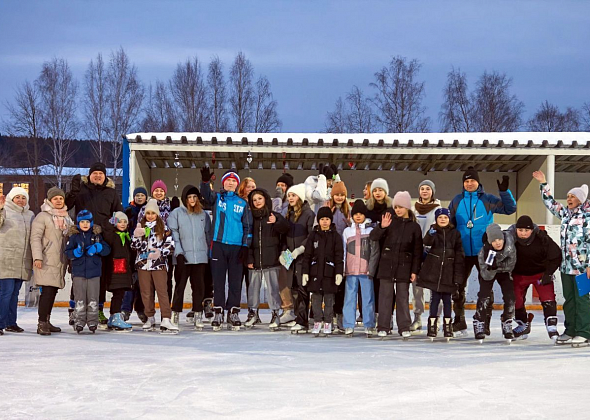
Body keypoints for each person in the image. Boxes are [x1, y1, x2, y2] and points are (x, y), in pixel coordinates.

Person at [448, 167, 516, 335]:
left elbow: (510, 209)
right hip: (462, 251)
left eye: (472, 181)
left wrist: (504, 191)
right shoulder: (457, 201)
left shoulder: (488, 200)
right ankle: (459, 320)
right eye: (466, 181)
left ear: (478, 182)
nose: (469, 184)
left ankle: (484, 322)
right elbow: (449, 223)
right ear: (463, 183)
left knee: (487, 286)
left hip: (484, 251)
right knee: (457, 287)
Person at [533, 171, 590, 347]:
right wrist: (543, 184)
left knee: (583, 299)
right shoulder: (566, 214)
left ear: (581, 199)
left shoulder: (587, 217)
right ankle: (571, 330)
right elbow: (550, 203)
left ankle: (584, 332)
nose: (569, 199)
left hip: (583, 268)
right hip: (566, 267)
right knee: (569, 300)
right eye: (568, 196)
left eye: (573, 196)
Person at [65, 162, 124, 327]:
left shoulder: (111, 193)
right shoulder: (82, 190)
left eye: (101, 173)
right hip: (81, 238)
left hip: (102, 239)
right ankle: (74, 310)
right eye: (94, 173)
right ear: (89, 175)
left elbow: (117, 214)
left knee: (100, 276)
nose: (98, 176)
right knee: (78, 276)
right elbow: (66, 206)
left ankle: (97, 309)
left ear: (105, 176)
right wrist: (73, 192)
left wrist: (111, 226)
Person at [200, 168, 252, 331]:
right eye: (228, 180)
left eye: (234, 180)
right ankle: (219, 312)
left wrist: (245, 246)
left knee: (235, 282)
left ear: (237, 184)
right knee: (219, 281)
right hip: (219, 245)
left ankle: (233, 312)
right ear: (224, 183)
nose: (231, 183)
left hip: (237, 247)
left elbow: (247, 226)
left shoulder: (242, 203)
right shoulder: (217, 198)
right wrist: (205, 182)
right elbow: (206, 195)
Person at [370, 191, 423, 338]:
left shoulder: (414, 227)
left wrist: (414, 270)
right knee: (385, 297)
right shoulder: (389, 222)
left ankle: (404, 326)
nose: (398, 210)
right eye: (396, 207)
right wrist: (382, 227)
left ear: (407, 207)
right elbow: (373, 238)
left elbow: (417, 252)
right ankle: (383, 326)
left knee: (402, 297)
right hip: (386, 265)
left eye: (401, 207)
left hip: (404, 267)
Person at [507, 215, 562, 341]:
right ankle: (522, 324)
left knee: (548, 297)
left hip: (540, 275)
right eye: (520, 230)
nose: (523, 233)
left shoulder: (542, 239)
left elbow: (556, 255)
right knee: (516, 299)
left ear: (531, 230)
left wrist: (548, 273)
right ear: (516, 229)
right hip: (519, 275)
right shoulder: (510, 238)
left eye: (526, 230)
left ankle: (552, 326)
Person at [168, 185, 212, 330]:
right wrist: (179, 253)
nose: (192, 200)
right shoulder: (177, 213)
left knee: (199, 287)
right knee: (180, 287)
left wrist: (208, 254)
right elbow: (174, 234)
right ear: (185, 199)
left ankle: (198, 314)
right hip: (183, 257)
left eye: (194, 197)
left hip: (200, 257)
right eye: (189, 197)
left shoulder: (203, 215)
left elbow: (208, 236)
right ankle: (175, 314)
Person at [30, 187, 74, 335]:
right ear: (49, 200)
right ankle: (41, 322)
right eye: (55, 199)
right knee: (47, 292)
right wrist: (37, 257)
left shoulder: (66, 217)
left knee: (52, 291)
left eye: (61, 198)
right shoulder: (43, 216)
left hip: (60, 260)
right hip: (46, 259)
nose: (58, 201)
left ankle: (47, 320)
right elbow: (35, 238)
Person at [246, 188, 290, 330]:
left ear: (265, 199)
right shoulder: (250, 218)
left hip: (271, 260)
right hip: (255, 261)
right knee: (253, 289)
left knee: (273, 289)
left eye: (259, 198)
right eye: (254, 200)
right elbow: (248, 240)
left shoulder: (274, 215)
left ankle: (275, 314)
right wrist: (250, 257)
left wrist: (276, 221)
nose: (257, 202)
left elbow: (286, 229)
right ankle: (253, 314)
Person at [417, 208, 464, 340]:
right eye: (440, 217)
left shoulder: (455, 234)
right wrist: (430, 235)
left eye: (445, 217)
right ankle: (432, 325)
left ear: (449, 219)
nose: (443, 219)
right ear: (436, 219)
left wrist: (457, 276)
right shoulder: (433, 232)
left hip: (448, 273)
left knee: (447, 301)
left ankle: (447, 325)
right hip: (434, 272)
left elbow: (459, 254)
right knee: (435, 300)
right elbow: (425, 243)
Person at [131, 200, 177, 334]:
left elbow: (170, 245)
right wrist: (136, 237)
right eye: (148, 213)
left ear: (157, 214)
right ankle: (149, 317)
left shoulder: (163, 228)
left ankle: (166, 319)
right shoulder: (141, 227)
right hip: (143, 264)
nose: (150, 216)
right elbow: (135, 247)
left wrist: (160, 253)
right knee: (146, 292)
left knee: (162, 291)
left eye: (153, 213)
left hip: (159, 265)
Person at [65, 210, 111, 333]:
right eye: (82, 222)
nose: (85, 224)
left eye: (87, 222)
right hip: (79, 272)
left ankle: (92, 321)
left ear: (91, 223)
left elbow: (107, 250)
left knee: (93, 298)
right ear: (78, 223)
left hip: (94, 273)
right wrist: (75, 253)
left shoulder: (97, 236)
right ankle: (79, 321)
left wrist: (98, 247)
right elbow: (67, 252)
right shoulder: (74, 237)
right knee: (79, 298)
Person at [278, 183, 315, 331]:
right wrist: (284, 252)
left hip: (302, 257)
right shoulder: (289, 214)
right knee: (292, 287)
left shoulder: (309, 214)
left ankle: (302, 320)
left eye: (293, 195)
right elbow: (284, 236)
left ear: (299, 197)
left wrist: (301, 249)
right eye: (289, 196)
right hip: (290, 257)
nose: (290, 198)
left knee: (302, 288)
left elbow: (311, 235)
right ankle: (297, 317)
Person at [302, 207, 344, 336]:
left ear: (330, 220)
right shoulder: (313, 235)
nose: (324, 222)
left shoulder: (336, 236)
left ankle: (328, 322)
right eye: (322, 219)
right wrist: (305, 272)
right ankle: (317, 322)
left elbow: (339, 256)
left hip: (329, 274)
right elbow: (307, 255)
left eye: (327, 219)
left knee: (329, 300)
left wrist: (338, 272)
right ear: (318, 221)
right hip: (315, 274)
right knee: (316, 300)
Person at [342, 200, 379, 337]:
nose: (358, 216)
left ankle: (369, 324)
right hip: (351, 270)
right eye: (355, 214)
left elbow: (374, 251)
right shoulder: (347, 231)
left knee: (368, 298)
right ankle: (348, 324)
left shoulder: (370, 231)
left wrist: (372, 268)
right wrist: (343, 268)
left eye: (361, 214)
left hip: (366, 270)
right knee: (349, 297)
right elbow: (344, 250)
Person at [0, 187, 35, 335]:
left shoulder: (30, 214)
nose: (21, 200)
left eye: (23, 197)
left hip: (23, 260)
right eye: (17, 197)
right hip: (6, 259)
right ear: (11, 198)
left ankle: (11, 323)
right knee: (5, 292)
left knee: (15, 294)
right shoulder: (5, 210)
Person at [475, 224, 517, 341]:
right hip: (489, 272)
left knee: (510, 297)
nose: (498, 243)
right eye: (494, 241)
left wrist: (496, 262)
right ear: (489, 242)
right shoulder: (483, 253)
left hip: (505, 271)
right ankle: (480, 321)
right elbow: (485, 274)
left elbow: (510, 265)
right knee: (484, 296)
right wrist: (491, 266)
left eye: (499, 240)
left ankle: (507, 321)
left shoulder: (510, 246)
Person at [411, 180, 442, 332]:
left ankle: (435, 318)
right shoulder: (413, 209)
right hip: (417, 252)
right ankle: (417, 317)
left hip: (433, 253)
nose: (424, 191)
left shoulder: (438, 209)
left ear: (432, 192)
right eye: (422, 188)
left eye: (427, 189)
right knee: (417, 287)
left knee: (436, 287)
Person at [137, 180, 174, 301]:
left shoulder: (170, 208)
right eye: (156, 190)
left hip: (164, 250)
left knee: (166, 281)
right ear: (152, 192)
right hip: (148, 250)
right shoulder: (144, 209)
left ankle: (166, 310)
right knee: (148, 283)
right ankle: (149, 311)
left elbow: (172, 227)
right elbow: (140, 227)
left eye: (161, 191)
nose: (159, 193)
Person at [365, 178, 393, 317]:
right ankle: (375, 313)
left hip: (387, 251)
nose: (377, 193)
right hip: (372, 252)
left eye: (380, 190)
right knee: (374, 283)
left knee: (387, 286)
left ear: (385, 192)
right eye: (375, 190)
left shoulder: (391, 210)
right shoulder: (367, 209)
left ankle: (388, 315)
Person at [102, 211, 134, 332]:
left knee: (119, 295)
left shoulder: (126, 236)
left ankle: (114, 316)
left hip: (123, 270)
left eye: (125, 222)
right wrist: (111, 223)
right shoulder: (113, 235)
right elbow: (107, 231)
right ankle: (115, 316)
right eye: (119, 221)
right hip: (115, 271)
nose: (122, 224)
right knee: (118, 294)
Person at [121, 186, 149, 323]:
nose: (139, 197)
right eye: (137, 195)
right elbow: (117, 224)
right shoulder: (128, 210)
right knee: (129, 281)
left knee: (141, 282)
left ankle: (141, 309)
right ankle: (125, 309)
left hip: (143, 251)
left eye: (142, 195)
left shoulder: (149, 211)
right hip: (130, 251)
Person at [329, 180, 351, 333]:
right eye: (336, 194)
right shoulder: (327, 209)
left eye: (342, 195)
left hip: (343, 253)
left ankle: (339, 314)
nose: (339, 197)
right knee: (329, 285)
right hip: (328, 251)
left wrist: (350, 223)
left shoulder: (347, 211)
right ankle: (327, 316)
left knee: (341, 287)